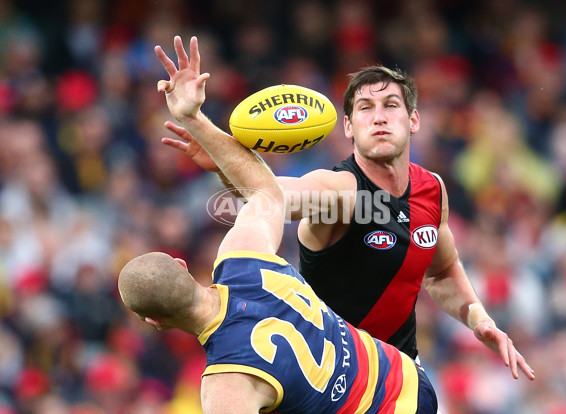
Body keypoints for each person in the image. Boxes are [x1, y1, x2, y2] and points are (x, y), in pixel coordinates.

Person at [162, 45, 535, 382]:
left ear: (413, 121)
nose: (379, 117)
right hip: (335, 386)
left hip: (402, 375)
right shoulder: (340, 191)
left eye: (391, 105)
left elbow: (441, 270)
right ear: (348, 127)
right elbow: (271, 195)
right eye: (365, 109)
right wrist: (197, 121)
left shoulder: (433, 189)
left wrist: (478, 319)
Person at [118, 35, 438, 414]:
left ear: (153, 321)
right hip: (407, 378)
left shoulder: (226, 386)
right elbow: (265, 192)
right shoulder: (243, 258)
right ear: (182, 266)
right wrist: (194, 118)